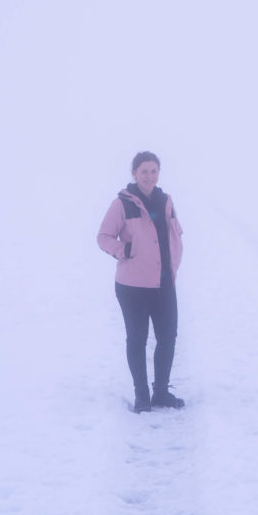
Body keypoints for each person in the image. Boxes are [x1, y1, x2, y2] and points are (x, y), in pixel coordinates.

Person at [97, 151, 184, 412]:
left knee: (167, 337)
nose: (149, 176)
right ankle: (142, 396)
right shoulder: (122, 204)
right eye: (144, 171)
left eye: (154, 171)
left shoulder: (166, 201)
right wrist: (124, 251)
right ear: (134, 173)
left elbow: (175, 235)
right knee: (137, 339)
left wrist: (174, 264)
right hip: (132, 287)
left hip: (164, 283)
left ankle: (161, 393)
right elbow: (103, 237)